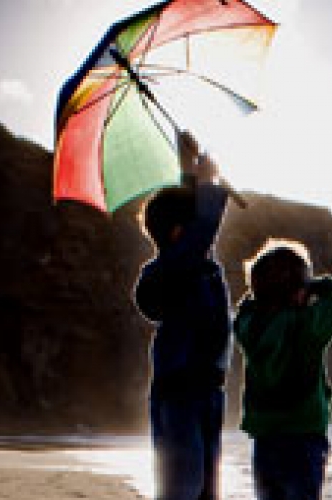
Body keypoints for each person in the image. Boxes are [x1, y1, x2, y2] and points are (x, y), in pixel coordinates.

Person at [134, 131, 231, 500]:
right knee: (181, 488)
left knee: (206, 491)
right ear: (178, 234)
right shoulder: (168, 269)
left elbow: (197, 233)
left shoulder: (198, 265)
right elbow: (199, 232)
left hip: (207, 391)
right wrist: (207, 185)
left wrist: (187, 171)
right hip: (180, 392)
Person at [234, 240, 332, 500]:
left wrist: (262, 298)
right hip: (303, 438)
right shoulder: (307, 327)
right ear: (300, 291)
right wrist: (313, 284)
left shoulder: (250, 328)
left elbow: (244, 308)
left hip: (264, 439)